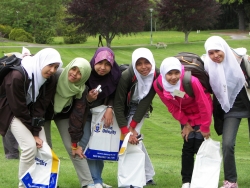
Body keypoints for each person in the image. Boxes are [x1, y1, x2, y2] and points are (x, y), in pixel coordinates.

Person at [0, 48, 63, 188]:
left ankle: (41, 183)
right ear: (42, 62)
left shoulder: (49, 79)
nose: (52, 70)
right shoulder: (17, 76)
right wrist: (33, 133)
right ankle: (23, 186)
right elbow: (18, 108)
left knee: (43, 147)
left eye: (56, 67)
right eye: (50, 65)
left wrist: (36, 132)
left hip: (28, 111)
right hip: (9, 110)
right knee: (29, 147)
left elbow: (41, 106)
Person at [153, 57, 212, 188]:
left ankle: (203, 180)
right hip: (185, 115)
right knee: (188, 146)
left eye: (176, 73)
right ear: (163, 73)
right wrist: (186, 124)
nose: (173, 77)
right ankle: (187, 181)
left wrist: (205, 127)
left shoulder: (192, 81)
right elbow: (171, 107)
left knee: (200, 146)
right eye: (169, 74)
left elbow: (204, 104)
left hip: (201, 113)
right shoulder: (158, 84)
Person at [204, 36, 250, 188]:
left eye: (217, 51)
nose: (215, 55)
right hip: (230, 108)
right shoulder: (208, 65)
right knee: (228, 144)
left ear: (223, 48)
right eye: (211, 53)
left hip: (248, 103)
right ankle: (231, 181)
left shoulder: (243, 60)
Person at [44, 57, 95, 188]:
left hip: (64, 115)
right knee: (45, 148)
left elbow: (77, 117)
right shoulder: (54, 76)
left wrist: (74, 143)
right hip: (43, 114)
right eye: (73, 69)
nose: (74, 74)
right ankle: (47, 182)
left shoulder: (81, 89)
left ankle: (88, 183)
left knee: (74, 148)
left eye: (80, 73)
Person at [114, 47, 159, 187]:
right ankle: (148, 174)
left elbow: (145, 102)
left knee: (131, 140)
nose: (143, 67)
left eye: (147, 62)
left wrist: (132, 127)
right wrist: (125, 130)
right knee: (131, 139)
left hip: (140, 108)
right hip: (125, 106)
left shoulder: (156, 74)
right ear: (134, 64)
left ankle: (131, 181)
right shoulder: (127, 75)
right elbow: (118, 104)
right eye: (139, 63)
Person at [79, 47, 121, 188]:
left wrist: (110, 107)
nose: (103, 68)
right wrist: (88, 99)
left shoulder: (115, 75)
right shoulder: (85, 74)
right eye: (100, 63)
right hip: (85, 115)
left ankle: (98, 180)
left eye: (107, 64)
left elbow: (116, 95)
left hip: (102, 115)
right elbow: (76, 99)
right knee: (86, 145)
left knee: (98, 147)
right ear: (94, 61)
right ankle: (89, 181)